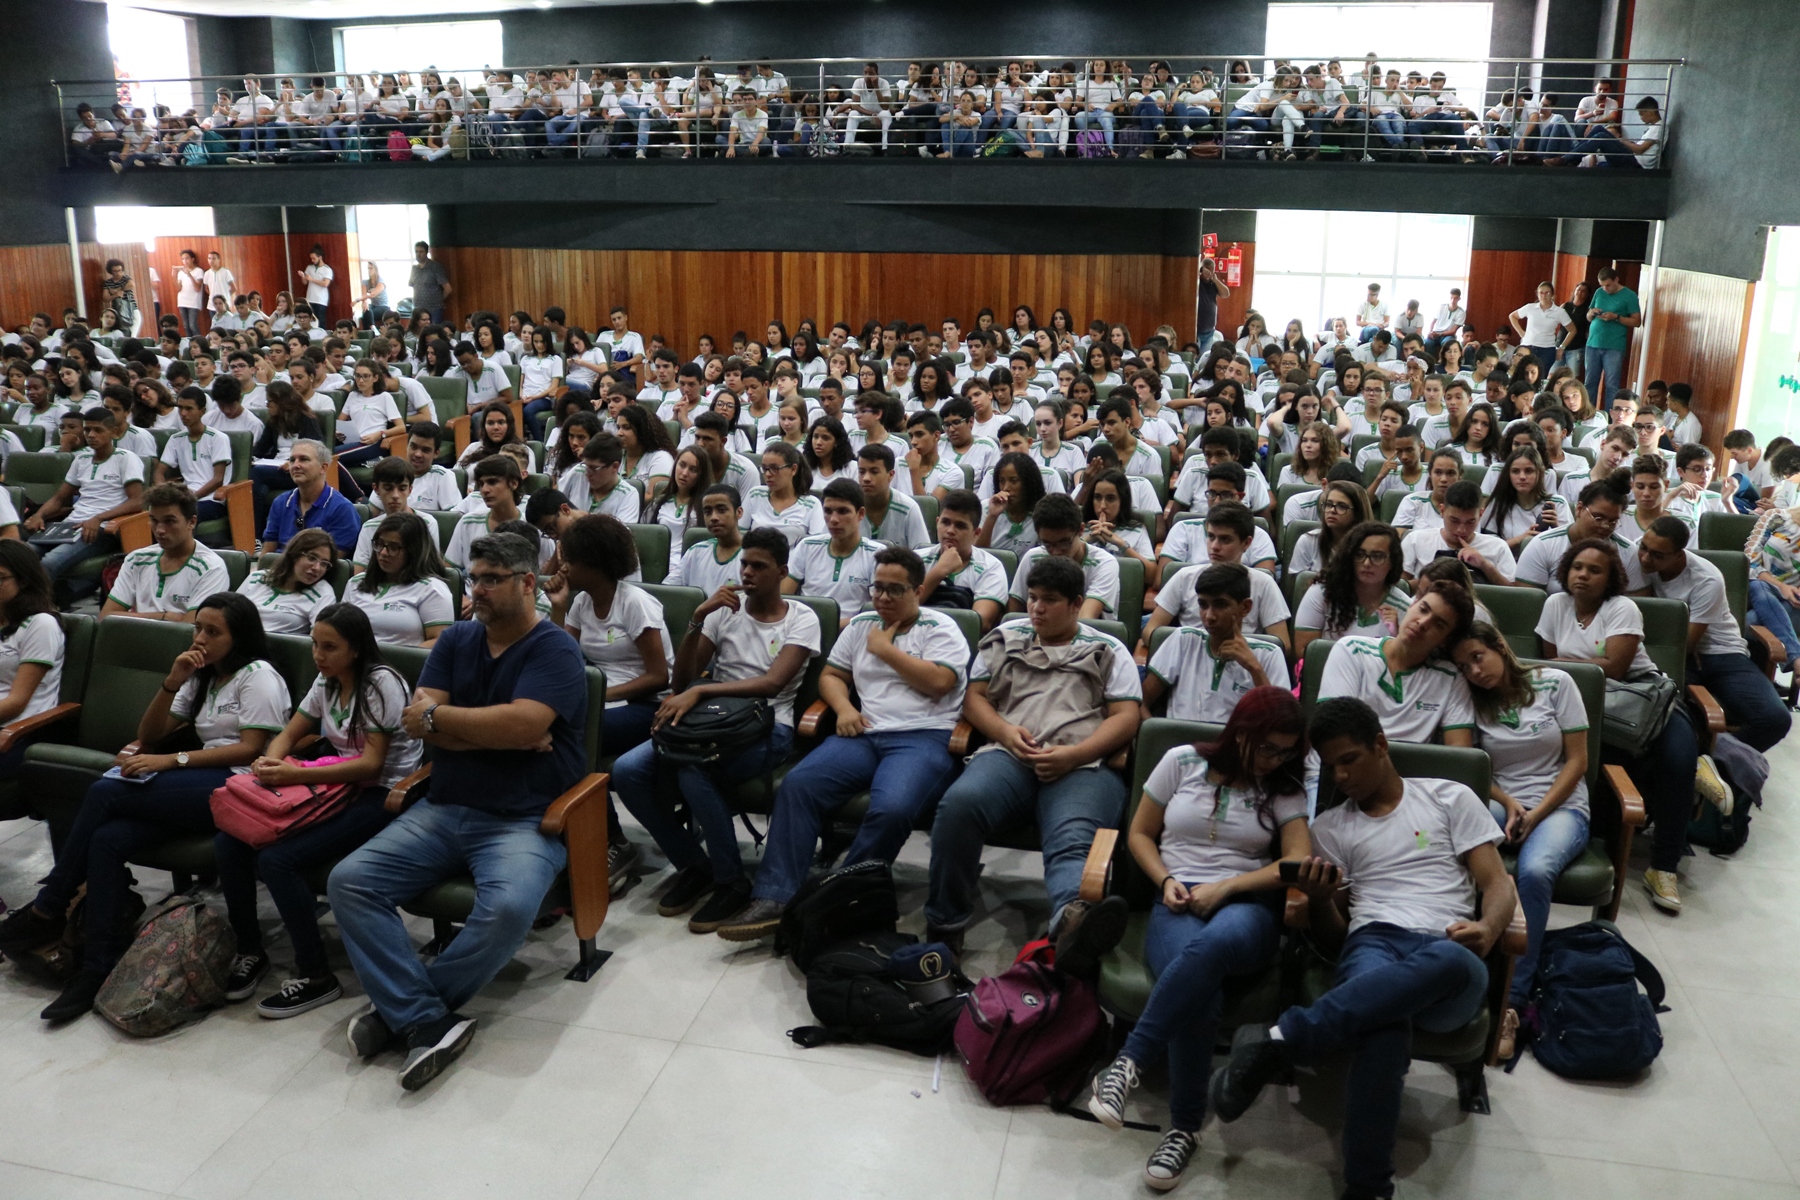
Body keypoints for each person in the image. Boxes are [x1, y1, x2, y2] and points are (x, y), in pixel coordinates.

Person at [1206, 697, 1515, 1200]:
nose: (1342, 776)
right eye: (1331, 768)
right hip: (1373, 941)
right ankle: (1368, 1188)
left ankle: (1284, 1039)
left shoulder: (1449, 797)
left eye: (1349, 759)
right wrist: (1320, 901)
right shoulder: (1329, 829)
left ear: (1380, 745)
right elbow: (1334, 938)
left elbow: (1498, 883)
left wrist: (1489, 927)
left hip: (1449, 948)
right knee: (1381, 1029)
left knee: (1445, 960)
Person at [327, 532, 588, 1090]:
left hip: (524, 817)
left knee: (508, 907)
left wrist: (455, 722)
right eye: (474, 578)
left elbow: (517, 723)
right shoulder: (456, 639)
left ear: (528, 583)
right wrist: (501, 732)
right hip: (443, 807)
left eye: (492, 579)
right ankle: (424, 1019)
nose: (478, 590)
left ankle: (406, 1011)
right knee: (350, 881)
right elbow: (418, 723)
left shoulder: (555, 649)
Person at [0, 594, 290, 1023]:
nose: (201, 638)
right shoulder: (203, 675)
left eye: (213, 632)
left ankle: (50, 903)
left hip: (240, 785)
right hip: (198, 783)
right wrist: (172, 681)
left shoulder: (258, 676)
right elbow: (148, 734)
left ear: (239, 637)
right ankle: (96, 967)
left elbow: (250, 749)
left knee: (105, 791)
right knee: (106, 839)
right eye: (198, 628)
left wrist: (172, 760)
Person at [1085, 688, 1311, 1190]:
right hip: (1177, 898)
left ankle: (1128, 1063)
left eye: (1285, 751)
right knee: (1198, 989)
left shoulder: (1284, 786)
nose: (1274, 759)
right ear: (1241, 732)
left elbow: (1295, 860)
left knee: (1211, 948)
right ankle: (1184, 1130)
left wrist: (1227, 887)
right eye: (1267, 747)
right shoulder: (1181, 761)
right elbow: (1140, 834)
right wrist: (1166, 880)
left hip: (1247, 907)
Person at [717, 546, 969, 940]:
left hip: (923, 737)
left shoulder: (940, 627)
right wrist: (844, 708)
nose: (883, 597)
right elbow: (832, 675)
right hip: (864, 732)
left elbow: (939, 682)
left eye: (895, 590)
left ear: (918, 591)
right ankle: (775, 896)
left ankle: (839, 897)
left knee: (892, 808)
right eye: (877, 588)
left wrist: (885, 650)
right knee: (799, 785)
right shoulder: (860, 625)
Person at [925, 555, 1142, 962]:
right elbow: (974, 698)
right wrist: (1005, 733)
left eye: (1050, 600)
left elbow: (1126, 717)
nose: (1037, 608)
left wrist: (1075, 754)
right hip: (1010, 753)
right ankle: (944, 922)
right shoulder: (1006, 636)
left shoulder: (1108, 649)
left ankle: (1070, 925)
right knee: (959, 806)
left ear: (1076, 604)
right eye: (1033, 598)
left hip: (1082, 762)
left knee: (1072, 838)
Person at [216, 602, 421, 1017]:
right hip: (334, 785)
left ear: (356, 649)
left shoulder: (381, 683)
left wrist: (295, 775)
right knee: (230, 841)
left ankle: (316, 976)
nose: (318, 655)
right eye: (314, 644)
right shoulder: (326, 680)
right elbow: (289, 733)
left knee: (278, 860)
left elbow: (372, 764)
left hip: (383, 794)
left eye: (329, 647)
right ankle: (251, 950)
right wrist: (271, 760)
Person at [613, 527, 820, 931]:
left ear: (782, 572)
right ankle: (695, 865)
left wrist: (702, 689)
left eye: (759, 566)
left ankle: (731, 881)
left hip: (769, 726)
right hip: (712, 721)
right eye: (744, 564)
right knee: (627, 770)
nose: (747, 573)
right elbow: (681, 681)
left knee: (693, 768)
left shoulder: (802, 618)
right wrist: (697, 619)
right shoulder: (725, 611)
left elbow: (772, 684)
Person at [1536, 538, 1704, 914]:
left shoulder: (1622, 607)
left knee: (1679, 762)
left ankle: (1663, 867)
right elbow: (1552, 669)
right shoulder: (1554, 605)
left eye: (1595, 570)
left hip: (1645, 698)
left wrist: (1564, 665)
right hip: (1586, 704)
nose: (1583, 575)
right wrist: (1565, 667)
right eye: (1577, 567)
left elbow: (1615, 668)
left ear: (1610, 578)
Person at [1449, 621, 1590, 1056]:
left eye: (1478, 657)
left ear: (1499, 645)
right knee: (1457, 848)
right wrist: (1509, 802)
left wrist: (1537, 813)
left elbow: (1578, 762)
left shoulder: (1556, 683)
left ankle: (1513, 1000)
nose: (1474, 671)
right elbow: (1468, 767)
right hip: (1500, 800)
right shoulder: (1469, 698)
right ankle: (1457, 972)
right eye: (1464, 666)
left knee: (1536, 870)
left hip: (1559, 805)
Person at [544, 514, 672, 891]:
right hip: (601, 704)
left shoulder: (635, 603)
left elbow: (658, 676)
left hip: (647, 707)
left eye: (571, 560)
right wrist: (557, 607)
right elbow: (560, 659)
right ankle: (579, 833)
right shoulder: (581, 602)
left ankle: (613, 840)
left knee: (568, 739)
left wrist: (601, 696)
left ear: (595, 563)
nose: (564, 567)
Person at [1638, 516, 1790, 751]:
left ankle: (1718, 761)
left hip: (1720, 653)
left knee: (1775, 720)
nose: (1645, 558)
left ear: (1679, 555)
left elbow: (1686, 645)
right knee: (1658, 713)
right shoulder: (1636, 556)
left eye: (1657, 555)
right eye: (1644, 548)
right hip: (1668, 652)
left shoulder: (1706, 578)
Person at [22, 408, 145, 597]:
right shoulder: (82, 459)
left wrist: (98, 518)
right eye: (87, 430)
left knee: (49, 562)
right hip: (70, 525)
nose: (91, 435)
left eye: (98, 430)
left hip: (102, 529)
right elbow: (59, 498)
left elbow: (137, 502)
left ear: (113, 432)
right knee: (23, 554)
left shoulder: (126, 458)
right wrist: (39, 515)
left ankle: (38, 606)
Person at [1142, 503, 1292, 657]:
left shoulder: (1264, 583)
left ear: (1246, 543)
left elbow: (1282, 645)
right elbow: (1150, 632)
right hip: (1189, 658)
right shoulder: (1184, 577)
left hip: (1243, 661)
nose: (1214, 546)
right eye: (1211, 537)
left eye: (1225, 540)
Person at [1143, 563, 1287, 723]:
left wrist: (1255, 669)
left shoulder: (1270, 655)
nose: (1209, 616)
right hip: (1178, 738)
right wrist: (1154, 734)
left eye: (1220, 605)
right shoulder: (1182, 640)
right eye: (1203, 605)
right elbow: (1141, 702)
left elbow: (1282, 723)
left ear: (1245, 608)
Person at [99, 484, 231, 622]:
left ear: (192, 522)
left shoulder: (211, 568)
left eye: (169, 521)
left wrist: (132, 618)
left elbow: (190, 628)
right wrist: (164, 616)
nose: (160, 530)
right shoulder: (136, 560)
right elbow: (105, 618)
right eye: (154, 520)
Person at [1293, 521, 1413, 659]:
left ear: (1393, 561)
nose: (1367, 563)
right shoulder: (1323, 592)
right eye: (1359, 554)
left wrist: (1397, 636)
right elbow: (1304, 651)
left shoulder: (1404, 607)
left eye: (1377, 556)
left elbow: (1406, 663)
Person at [0, 541, 65, 777]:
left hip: (18, 732)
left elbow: (17, 701)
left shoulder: (40, 624)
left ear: (24, 581)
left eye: (0, 579)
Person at [1515, 479, 1646, 593]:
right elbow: (1530, 603)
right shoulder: (1543, 545)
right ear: (1579, 509)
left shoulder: (1629, 552)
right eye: (1598, 517)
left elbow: (1636, 603)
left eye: (1613, 521)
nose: (1605, 526)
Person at [785, 478, 884, 622]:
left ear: (861, 514)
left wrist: (830, 628)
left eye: (843, 511)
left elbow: (878, 613)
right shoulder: (806, 546)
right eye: (828, 511)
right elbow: (784, 598)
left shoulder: (877, 555)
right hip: (803, 628)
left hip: (855, 631)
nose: (833, 519)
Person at [1009, 495, 1121, 620]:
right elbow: (1013, 614)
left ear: (1081, 530)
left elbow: (1086, 619)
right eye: (1047, 544)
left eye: (1064, 543)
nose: (1056, 552)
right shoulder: (1032, 558)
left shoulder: (1104, 564)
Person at [1399, 481, 1516, 584]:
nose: (1461, 530)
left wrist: (1485, 566)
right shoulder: (1415, 540)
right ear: (1442, 511)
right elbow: (1401, 587)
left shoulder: (1498, 547)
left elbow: (1513, 595)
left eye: (1470, 522)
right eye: (1454, 521)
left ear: (1480, 514)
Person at [261, 440, 360, 556]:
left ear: (323, 468)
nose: (296, 465)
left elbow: (330, 561)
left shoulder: (342, 509)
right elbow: (267, 554)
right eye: (292, 460)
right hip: (279, 565)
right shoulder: (280, 502)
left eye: (304, 459)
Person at [156, 388, 234, 524]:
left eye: (189, 409)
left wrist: (191, 498)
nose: (183, 413)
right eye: (180, 408)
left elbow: (218, 479)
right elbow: (159, 472)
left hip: (211, 499)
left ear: (202, 411)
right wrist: (164, 494)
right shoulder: (176, 439)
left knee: (179, 517)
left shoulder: (218, 438)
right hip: (184, 497)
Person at [239, 528, 339, 635]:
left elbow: (318, 638)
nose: (317, 568)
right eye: (312, 558)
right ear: (294, 554)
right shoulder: (255, 578)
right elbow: (231, 616)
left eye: (324, 564)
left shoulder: (323, 593)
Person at [670, 483, 747, 597]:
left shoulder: (753, 555)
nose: (713, 517)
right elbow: (668, 591)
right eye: (707, 512)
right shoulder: (695, 552)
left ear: (739, 512)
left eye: (721, 510)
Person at [1582, 268, 1640, 407]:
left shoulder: (1629, 295)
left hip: (1614, 346)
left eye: (1608, 285)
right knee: (1589, 382)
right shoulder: (1599, 292)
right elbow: (1588, 316)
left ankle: (1610, 415)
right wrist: (1592, 313)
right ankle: (1588, 414)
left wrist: (1616, 317)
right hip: (1593, 344)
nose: (1605, 288)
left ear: (1616, 280)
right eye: (1602, 285)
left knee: (1612, 385)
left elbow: (1637, 321)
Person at [856, 444, 931, 548]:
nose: (866, 478)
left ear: (891, 475)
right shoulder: (849, 508)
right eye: (862, 472)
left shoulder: (908, 508)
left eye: (874, 472)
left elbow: (922, 552)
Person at [407, 242, 452, 323]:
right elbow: (412, 284)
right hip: (418, 308)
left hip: (434, 309)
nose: (418, 254)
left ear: (427, 252)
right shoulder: (414, 268)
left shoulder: (435, 267)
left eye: (421, 251)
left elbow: (448, 289)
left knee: (434, 330)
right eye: (416, 251)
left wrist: (438, 301)